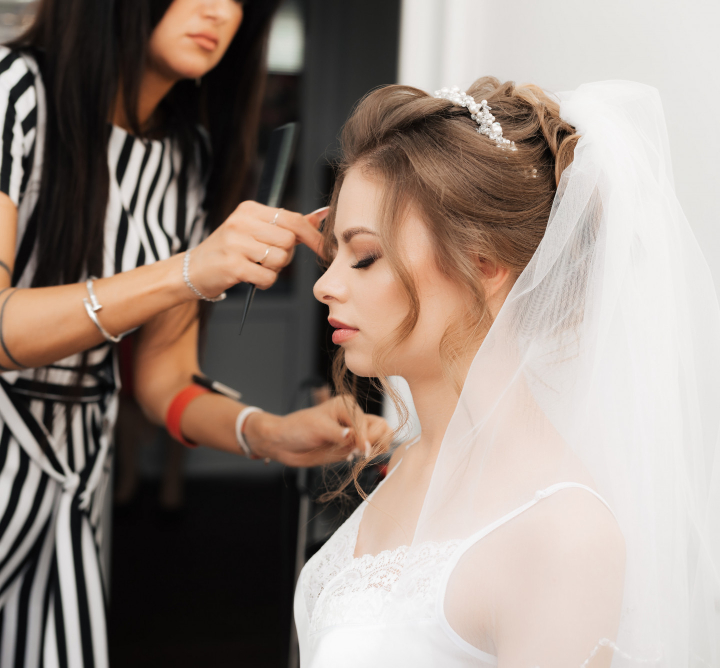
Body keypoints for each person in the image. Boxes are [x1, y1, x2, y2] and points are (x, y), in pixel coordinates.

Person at [0, 1, 386, 666]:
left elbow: (163, 383)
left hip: (64, 515)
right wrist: (187, 271)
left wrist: (269, 432)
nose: (218, 9)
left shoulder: (187, 153)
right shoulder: (7, 90)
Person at [295, 79, 720, 667]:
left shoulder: (561, 534)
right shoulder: (411, 461)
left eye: (364, 256)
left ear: (485, 264)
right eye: (332, 254)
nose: (325, 284)